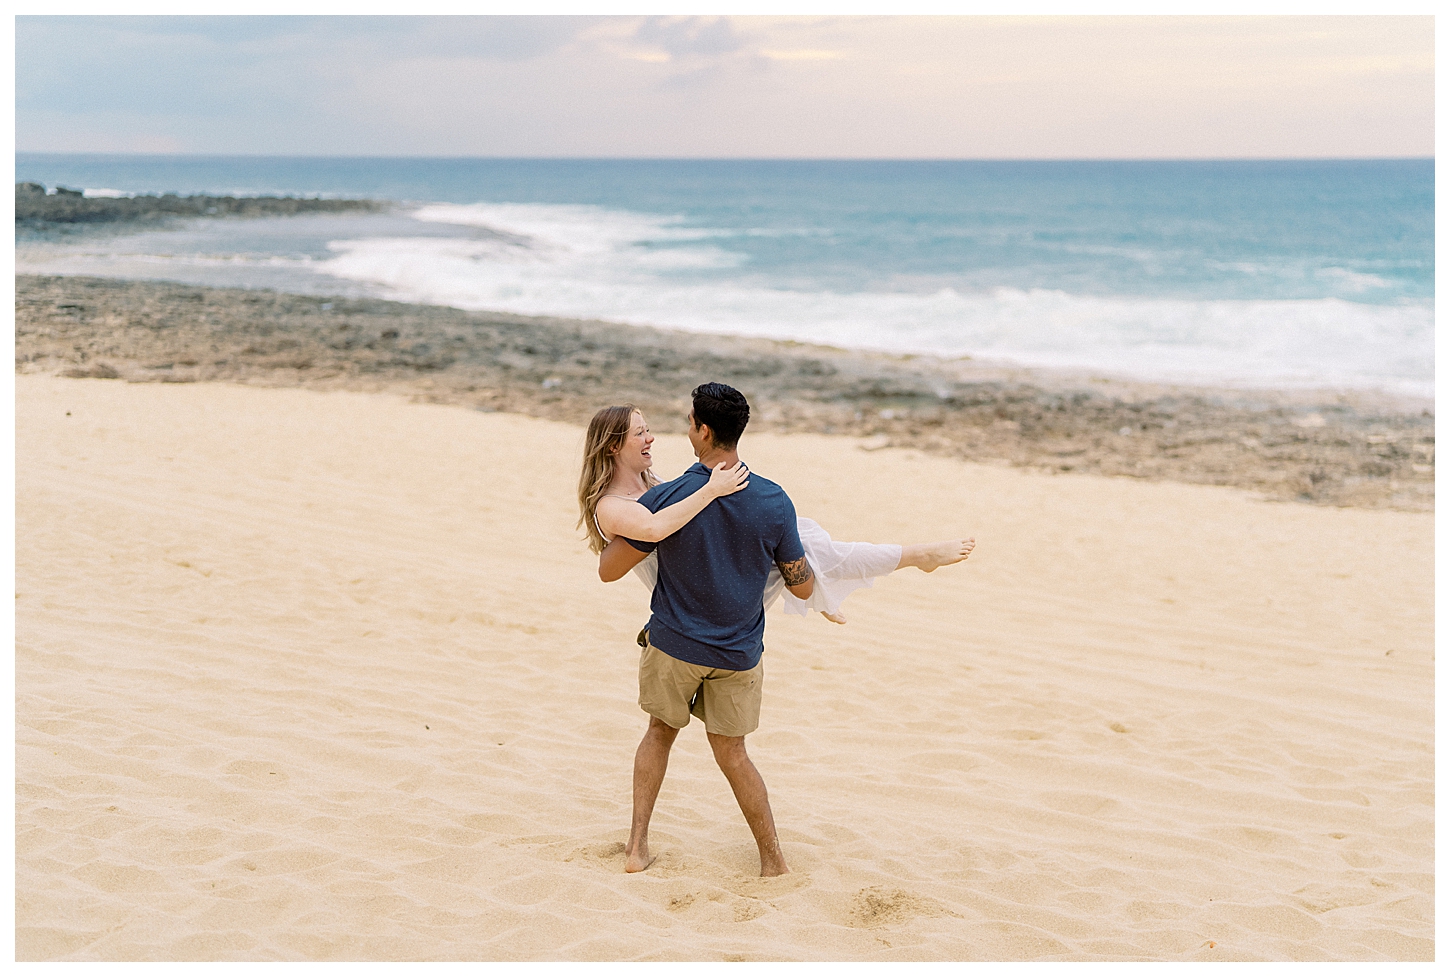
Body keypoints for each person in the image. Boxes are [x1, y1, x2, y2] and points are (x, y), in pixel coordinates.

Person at [578, 384, 975, 877]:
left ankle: (637, 849)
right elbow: (641, 542)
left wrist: (706, 493)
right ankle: (773, 861)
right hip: (731, 637)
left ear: (701, 430)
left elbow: (639, 543)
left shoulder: (663, 489)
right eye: (642, 431)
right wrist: (714, 491)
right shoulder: (648, 500)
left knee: (660, 733)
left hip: (679, 630)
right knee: (735, 748)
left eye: (664, 427)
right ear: (614, 444)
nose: (655, 436)